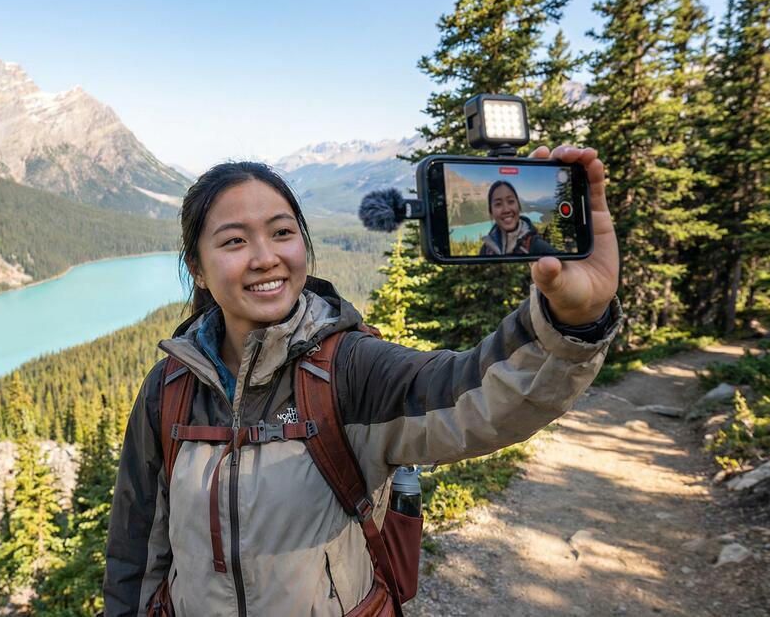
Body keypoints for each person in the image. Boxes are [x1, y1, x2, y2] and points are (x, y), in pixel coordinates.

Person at [104, 145, 621, 616]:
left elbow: (480, 398)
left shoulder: (351, 369)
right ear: (197, 267)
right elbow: (135, 544)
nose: (266, 257)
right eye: (235, 241)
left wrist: (571, 321)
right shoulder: (169, 387)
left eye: (282, 233)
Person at [478, 180, 558, 256]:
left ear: (519, 206)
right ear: (491, 211)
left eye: (511, 201)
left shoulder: (536, 246)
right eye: (498, 204)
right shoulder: (486, 250)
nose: (506, 210)